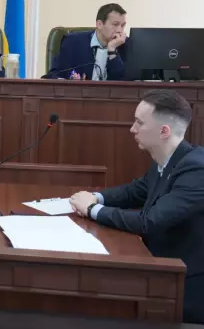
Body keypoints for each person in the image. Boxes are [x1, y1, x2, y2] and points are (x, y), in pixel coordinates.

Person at [70, 90, 204, 324]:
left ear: (164, 131)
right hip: (159, 268)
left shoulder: (196, 170)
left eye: (140, 123)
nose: (132, 129)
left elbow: (149, 221)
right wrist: (95, 197)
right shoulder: (169, 159)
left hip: (184, 285)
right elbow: (134, 192)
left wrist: (92, 210)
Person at [44, 3, 128, 80]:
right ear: (99, 24)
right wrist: (68, 81)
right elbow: (53, 75)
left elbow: (126, 83)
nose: (120, 30)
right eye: (115, 24)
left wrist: (112, 51)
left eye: (123, 25)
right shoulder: (72, 42)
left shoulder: (127, 45)